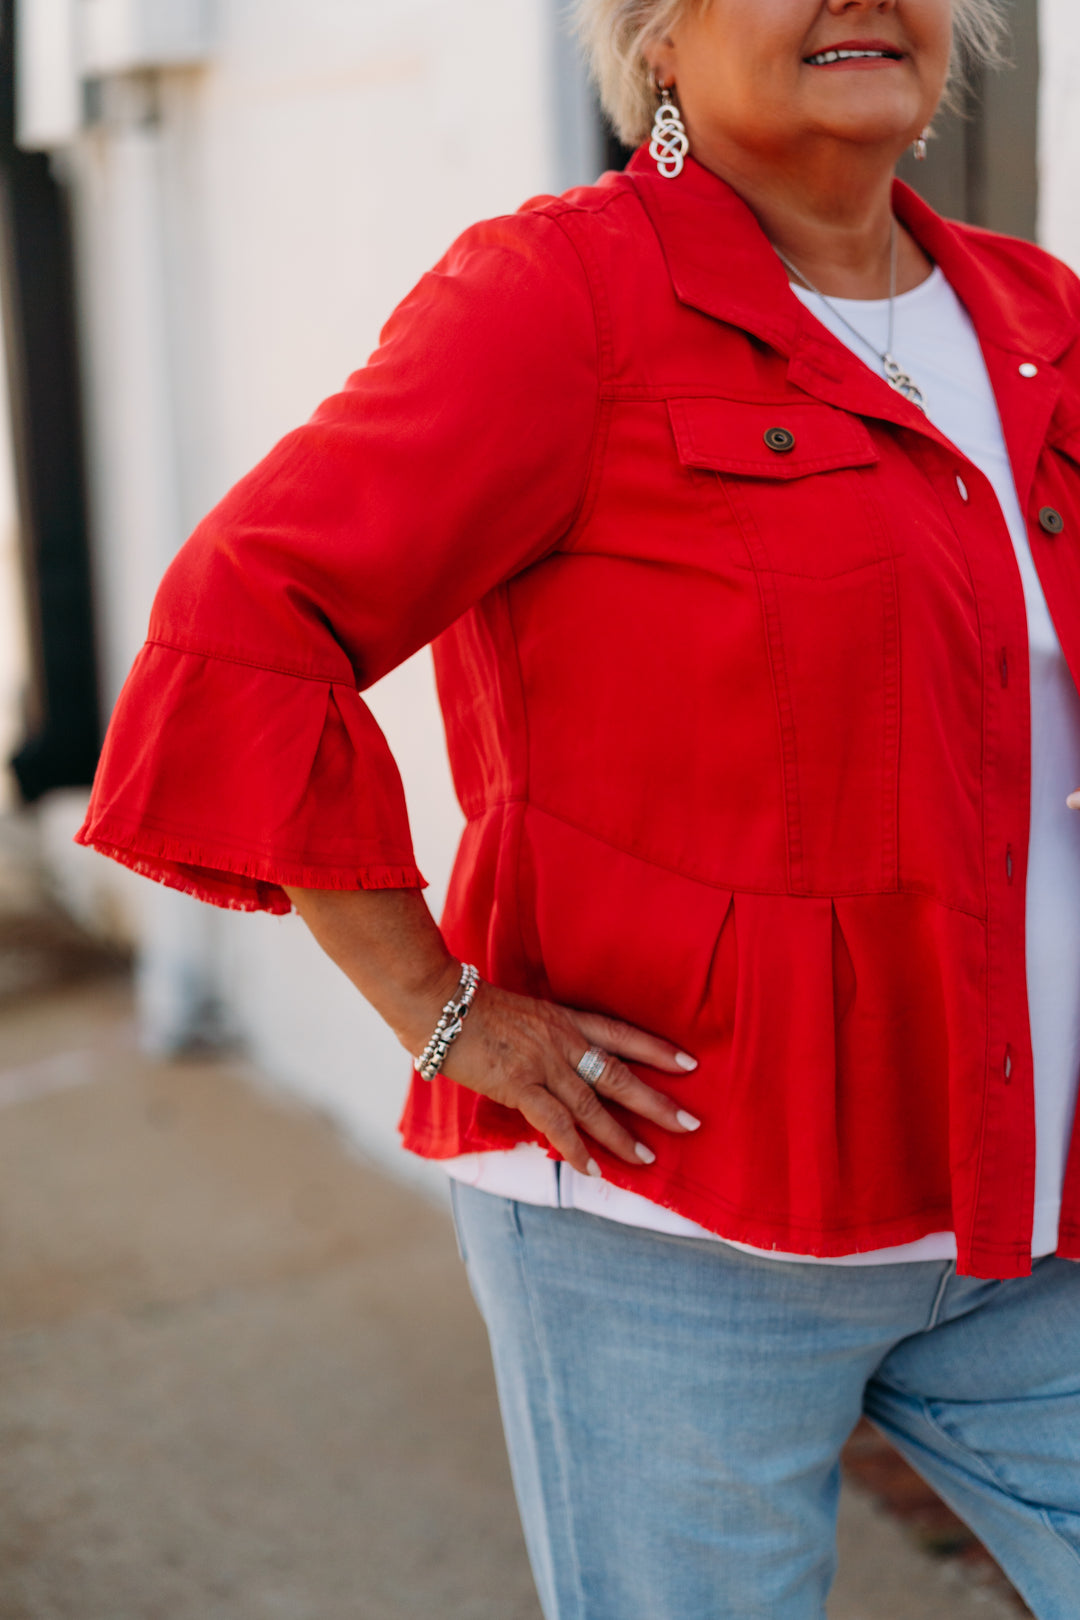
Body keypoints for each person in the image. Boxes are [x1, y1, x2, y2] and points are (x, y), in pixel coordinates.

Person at [78, 0, 1080, 1613]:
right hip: (670, 1227)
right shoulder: (566, 296)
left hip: (1026, 1205)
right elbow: (250, 620)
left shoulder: (1039, 314)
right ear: (656, 42)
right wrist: (438, 1009)